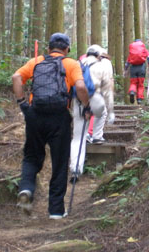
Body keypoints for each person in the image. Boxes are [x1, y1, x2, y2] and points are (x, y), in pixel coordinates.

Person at [12, 32, 90, 219]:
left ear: (49, 48)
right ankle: (55, 211)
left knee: (31, 157)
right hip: (59, 117)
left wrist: (23, 104)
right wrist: (87, 106)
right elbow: (80, 87)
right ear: (66, 49)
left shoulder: (36, 61)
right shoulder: (71, 64)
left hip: (35, 115)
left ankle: (26, 189)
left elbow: (16, 78)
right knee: (60, 162)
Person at [69, 45, 115, 183]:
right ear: (98, 55)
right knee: (102, 113)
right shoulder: (102, 66)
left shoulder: (77, 64)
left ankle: (75, 169)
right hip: (96, 99)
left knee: (78, 137)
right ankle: (97, 136)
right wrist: (111, 111)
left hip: (78, 102)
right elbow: (108, 91)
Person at [125, 39, 149, 104]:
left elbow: (127, 62)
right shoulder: (144, 49)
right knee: (140, 84)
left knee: (133, 83)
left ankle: (132, 91)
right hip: (141, 67)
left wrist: (125, 70)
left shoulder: (132, 52)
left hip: (133, 68)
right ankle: (139, 99)